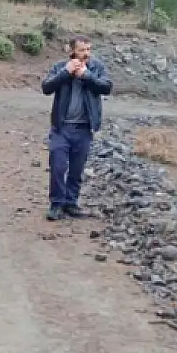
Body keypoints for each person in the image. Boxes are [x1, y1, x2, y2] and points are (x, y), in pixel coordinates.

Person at [40, 35, 113, 221]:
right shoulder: (60, 67)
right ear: (72, 50)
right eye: (82, 50)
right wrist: (66, 72)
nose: (86, 54)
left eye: (88, 49)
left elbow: (106, 87)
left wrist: (87, 76)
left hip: (84, 128)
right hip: (61, 127)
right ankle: (56, 204)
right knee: (57, 166)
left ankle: (71, 203)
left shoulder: (96, 67)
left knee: (76, 169)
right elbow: (46, 87)